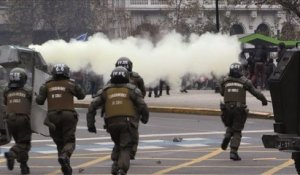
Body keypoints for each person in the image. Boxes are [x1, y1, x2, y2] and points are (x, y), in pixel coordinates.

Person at [86, 66, 149, 175]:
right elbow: (142, 105)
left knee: (118, 143)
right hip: (127, 123)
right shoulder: (132, 90)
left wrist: (91, 124)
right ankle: (121, 169)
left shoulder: (105, 90)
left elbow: (92, 106)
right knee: (126, 147)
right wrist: (145, 118)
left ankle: (115, 165)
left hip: (111, 124)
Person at [36, 63, 85, 175]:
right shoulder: (71, 83)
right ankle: (65, 156)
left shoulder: (46, 85)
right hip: (68, 115)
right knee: (69, 141)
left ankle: (64, 166)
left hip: (52, 116)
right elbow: (82, 95)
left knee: (59, 142)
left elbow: (39, 101)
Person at [220, 63, 268, 161]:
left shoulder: (225, 81)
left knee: (230, 125)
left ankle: (227, 136)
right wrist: (264, 100)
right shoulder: (245, 82)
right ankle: (233, 152)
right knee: (237, 130)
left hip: (227, 108)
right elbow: (256, 93)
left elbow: (222, 93)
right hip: (239, 109)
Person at [115, 57, 146, 160]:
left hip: (124, 108)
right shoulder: (136, 78)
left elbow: (142, 93)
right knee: (130, 130)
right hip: (128, 108)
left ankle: (126, 151)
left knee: (127, 130)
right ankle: (127, 151)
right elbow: (142, 94)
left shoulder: (136, 78)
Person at [3, 67, 32, 174]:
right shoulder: (28, 90)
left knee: (19, 143)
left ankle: (24, 166)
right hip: (22, 118)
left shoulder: (7, 91)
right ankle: (12, 154)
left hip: (9, 119)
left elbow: (6, 102)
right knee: (24, 143)